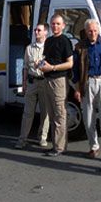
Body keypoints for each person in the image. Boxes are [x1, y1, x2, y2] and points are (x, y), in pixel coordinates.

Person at [74, 18, 101, 163]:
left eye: (95, 30)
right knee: (88, 117)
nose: (93, 33)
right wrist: (77, 87)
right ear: (85, 31)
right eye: (90, 31)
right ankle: (94, 146)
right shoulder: (79, 47)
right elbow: (75, 70)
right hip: (87, 82)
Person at [39, 14, 74, 157]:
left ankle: (60, 147)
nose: (55, 26)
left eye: (58, 24)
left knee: (60, 114)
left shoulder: (65, 41)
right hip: (47, 80)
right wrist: (40, 65)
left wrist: (52, 68)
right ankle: (55, 144)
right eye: (53, 24)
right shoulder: (48, 41)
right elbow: (45, 59)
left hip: (59, 80)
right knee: (52, 114)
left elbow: (70, 63)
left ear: (63, 26)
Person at [15, 23, 50, 149]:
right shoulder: (29, 48)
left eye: (39, 30)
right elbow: (25, 67)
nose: (36, 32)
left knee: (45, 113)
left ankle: (42, 137)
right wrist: (23, 83)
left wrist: (40, 64)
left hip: (45, 82)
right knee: (27, 112)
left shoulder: (49, 47)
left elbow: (50, 64)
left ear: (45, 32)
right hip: (32, 82)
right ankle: (22, 139)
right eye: (35, 30)